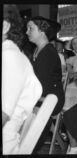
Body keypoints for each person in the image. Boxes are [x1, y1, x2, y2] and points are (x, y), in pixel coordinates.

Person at [2, 5, 42, 154]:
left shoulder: (10, 56)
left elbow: (4, 114)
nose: (27, 32)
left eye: (30, 29)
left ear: (5, 26)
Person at [26, 16, 65, 152]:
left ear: (42, 31)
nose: (27, 32)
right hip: (41, 95)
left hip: (50, 98)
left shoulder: (48, 53)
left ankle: (27, 147)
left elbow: (41, 85)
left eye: (30, 28)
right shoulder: (37, 51)